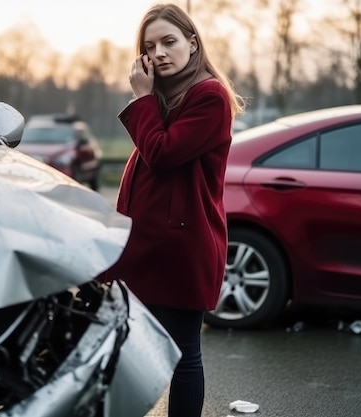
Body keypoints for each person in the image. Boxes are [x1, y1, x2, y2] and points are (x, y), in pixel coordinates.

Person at [97, 3, 244, 417]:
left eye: (169, 41)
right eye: (149, 46)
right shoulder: (167, 97)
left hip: (182, 246)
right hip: (149, 244)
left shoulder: (209, 96)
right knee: (129, 348)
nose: (159, 52)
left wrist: (142, 97)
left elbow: (163, 154)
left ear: (192, 44)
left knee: (183, 355)